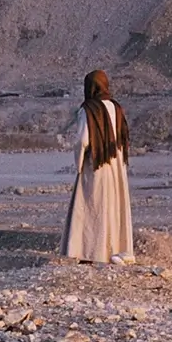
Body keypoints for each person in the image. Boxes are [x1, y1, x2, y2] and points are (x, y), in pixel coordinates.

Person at [60, 69, 135, 264]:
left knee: (91, 206)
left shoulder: (88, 109)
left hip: (96, 164)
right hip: (116, 164)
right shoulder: (116, 107)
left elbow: (83, 140)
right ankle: (114, 250)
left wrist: (79, 164)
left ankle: (88, 252)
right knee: (112, 206)